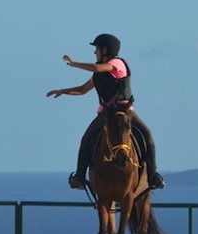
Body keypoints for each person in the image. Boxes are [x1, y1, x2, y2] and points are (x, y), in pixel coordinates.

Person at [46, 33, 164, 190]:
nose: (94, 53)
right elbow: (82, 90)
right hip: (106, 114)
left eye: (96, 49)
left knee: (148, 135)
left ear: (105, 50)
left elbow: (96, 67)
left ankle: (153, 175)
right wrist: (62, 91)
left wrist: (74, 64)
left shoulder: (117, 64)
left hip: (125, 112)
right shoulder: (98, 74)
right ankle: (80, 176)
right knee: (86, 138)